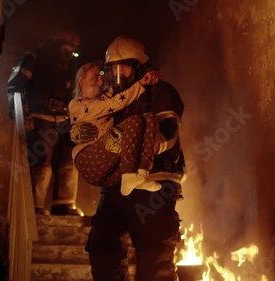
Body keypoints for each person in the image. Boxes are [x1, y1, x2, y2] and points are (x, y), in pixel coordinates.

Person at [70, 35, 186, 281]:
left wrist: (143, 150)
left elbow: (168, 132)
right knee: (102, 252)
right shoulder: (112, 98)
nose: (118, 75)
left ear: (140, 67)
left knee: (155, 261)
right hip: (115, 186)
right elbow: (88, 121)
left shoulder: (161, 91)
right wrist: (80, 132)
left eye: (125, 68)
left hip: (154, 183)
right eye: (113, 70)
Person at [7, 28, 83, 216]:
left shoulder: (71, 67)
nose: (70, 55)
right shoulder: (34, 57)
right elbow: (15, 86)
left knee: (69, 161)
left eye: (74, 51)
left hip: (64, 121)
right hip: (39, 119)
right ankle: (35, 207)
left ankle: (64, 204)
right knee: (41, 163)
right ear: (55, 45)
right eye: (67, 49)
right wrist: (23, 115)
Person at [69, 61, 162, 195]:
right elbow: (116, 102)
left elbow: (119, 91)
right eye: (95, 75)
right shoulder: (77, 104)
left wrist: (147, 76)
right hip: (87, 160)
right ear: (81, 78)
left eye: (102, 75)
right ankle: (129, 173)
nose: (100, 79)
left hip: (108, 168)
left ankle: (142, 174)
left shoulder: (101, 98)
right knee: (134, 122)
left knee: (149, 118)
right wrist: (141, 84)